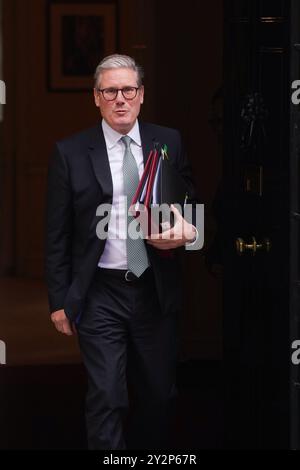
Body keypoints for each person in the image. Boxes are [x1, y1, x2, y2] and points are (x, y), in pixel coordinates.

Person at [45, 54, 199, 450]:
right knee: (108, 397)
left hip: (154, 288)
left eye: (128, 89)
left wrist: (189, 232)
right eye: (110, 91)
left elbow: (190, 204)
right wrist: (59, 300)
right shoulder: (70, 152)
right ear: (96, 97)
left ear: (141, 95)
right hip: (100, 292)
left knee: (160, 395)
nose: (120, 99)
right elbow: (57, 233)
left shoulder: (169, 141)